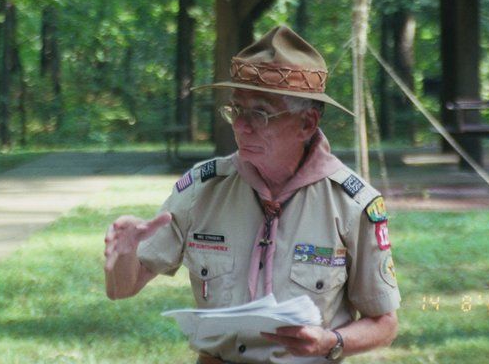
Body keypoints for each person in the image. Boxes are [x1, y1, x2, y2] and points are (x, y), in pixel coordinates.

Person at [104, 26, 400, 363]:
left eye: (259, 113)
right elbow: (120, 289)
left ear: (306, 124)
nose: (241, 126)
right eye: (236, 110)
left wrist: (328, 342)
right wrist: (124, 254)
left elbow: (384, 323)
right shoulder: (202, 189)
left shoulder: (352, 203)